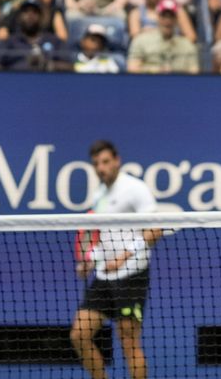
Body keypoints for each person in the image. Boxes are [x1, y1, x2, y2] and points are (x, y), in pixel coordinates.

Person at [70, 140, 161, 379]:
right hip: (104, 276)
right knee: (79, 335)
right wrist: (92, 260)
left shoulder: (135, 188)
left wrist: (124, 257)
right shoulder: (99, 194)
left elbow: (155, 230)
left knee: (128, 343)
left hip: (132, 275)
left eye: (106, 162)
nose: (101, 168)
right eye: (96, 164)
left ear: (117, 160)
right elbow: (102, 237)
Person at [127, 0, 199, 73]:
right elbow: (132, 70)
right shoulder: (141, 41)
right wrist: (156, 70)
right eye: (164, 16)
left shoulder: (187, 45)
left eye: (171, 16)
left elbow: (194, 73)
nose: (167, 20)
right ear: (157, 17)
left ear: (176, 19)